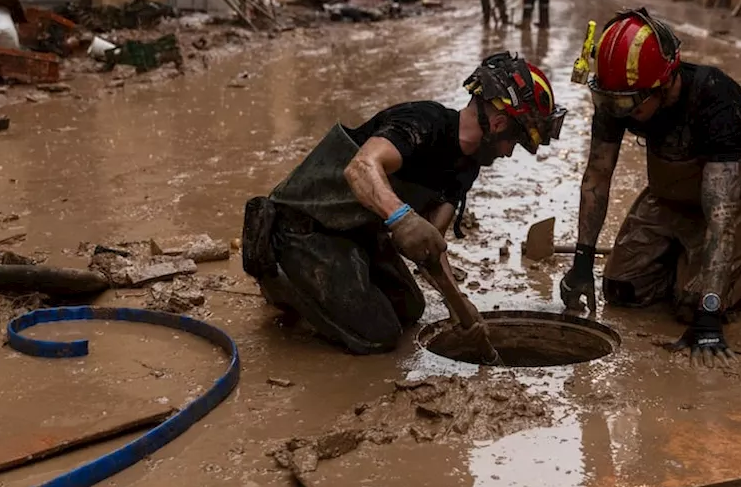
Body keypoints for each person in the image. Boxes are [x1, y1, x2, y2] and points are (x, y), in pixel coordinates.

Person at [242, 53, 564, 355]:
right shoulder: (422, 122)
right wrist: (401, 218)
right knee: (378, 335)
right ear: (498, 124)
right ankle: (279, 275)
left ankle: (325, 279)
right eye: (515, 142)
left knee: (411, 310)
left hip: (357, 233)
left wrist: (457, 303)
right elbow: (360, 167)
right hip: (304, 226)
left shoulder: (467, 167)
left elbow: (429, 247)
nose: (508, 153)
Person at [559, 8, 741, 364]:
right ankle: (682, 262)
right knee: (621, 289)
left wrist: (710, 314)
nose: (619, 112)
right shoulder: (621, 96)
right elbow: (597, 177)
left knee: (691, 305)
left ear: (665, 82)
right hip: (671, 192)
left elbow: (720, 218)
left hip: (730, 196)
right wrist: (582, 261)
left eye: (629, 104)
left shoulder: (717, 100)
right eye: (611, 102)